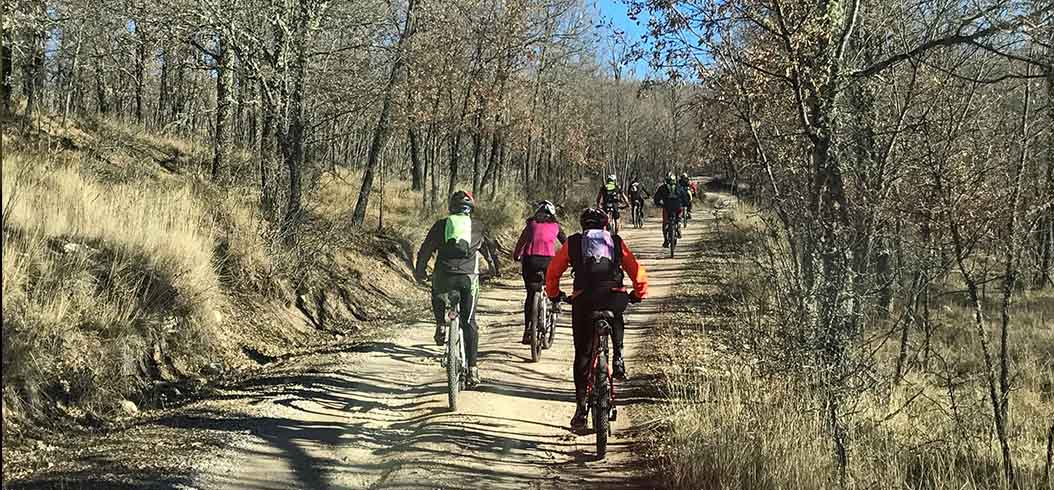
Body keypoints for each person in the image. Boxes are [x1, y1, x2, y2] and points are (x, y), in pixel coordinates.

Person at [545, 208, 648, 429]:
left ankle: (581, 409)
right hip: (613, 298)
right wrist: (638, 294)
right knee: (616, 312)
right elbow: (637, 271)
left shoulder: (573, 243)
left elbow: (553, 272)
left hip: (584, 301)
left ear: (583, 226)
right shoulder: (615, 242)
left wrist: (554, 294)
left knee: (582, 353)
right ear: (605, 225)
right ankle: (618, 357)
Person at [414, 191, 500, 387]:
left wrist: (420, 272)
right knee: (469, 322)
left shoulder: (441, 225)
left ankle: (440, 325)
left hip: (443, 276)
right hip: (468, 279)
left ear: (451, 207)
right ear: (471, 209)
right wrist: (495, 269)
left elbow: (426, 249)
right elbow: (490, 250)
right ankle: (473, 369)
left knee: (436, 291)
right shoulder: (478, 226)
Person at [512, 200, 567, 344]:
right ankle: (555, 303)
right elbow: (566, 244)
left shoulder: (531, 224)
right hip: (548, 261)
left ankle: (528, 330)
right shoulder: (556, 226)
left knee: (531, 294)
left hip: (530, 261)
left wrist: (516, 255)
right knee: (551, 282)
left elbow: (521, 242)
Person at [654, 173, 690, 247]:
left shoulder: (662, 187)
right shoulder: (679, 187)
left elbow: (656, 198)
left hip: (667, 208)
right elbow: (685, 198)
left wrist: (659, 204)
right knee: (679, 217)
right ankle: (679, 225)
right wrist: (685, 204)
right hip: (678, 207)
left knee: (665, 224)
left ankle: (666, 240)